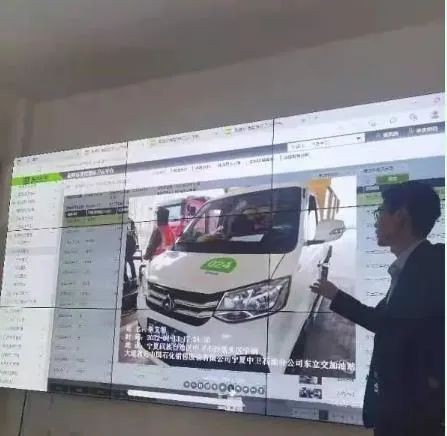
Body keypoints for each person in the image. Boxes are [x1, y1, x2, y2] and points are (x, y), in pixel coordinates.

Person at [310, 181, 444, 436]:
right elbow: (384, 322)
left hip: (415, 417)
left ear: (401, 216)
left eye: (380, 211)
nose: (376, 221)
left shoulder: (434, 265)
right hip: (398, 412)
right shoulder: (411, 267)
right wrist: (335, 295)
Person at [124, 219, 138, 285]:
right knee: (130, 262)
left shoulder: (128, 221)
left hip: (128, 247)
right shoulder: (130, 222)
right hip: (130, 247)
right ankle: (132, 276)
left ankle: (126, 278)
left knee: (126, 262)